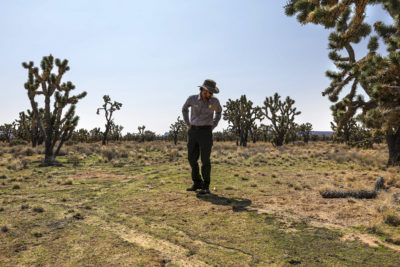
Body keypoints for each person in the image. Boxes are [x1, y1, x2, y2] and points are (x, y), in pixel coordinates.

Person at [182, 79, 222, 194]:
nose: (210, 94)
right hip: (193, 131)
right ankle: (197, 182)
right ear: (203, 90)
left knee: (205, 160)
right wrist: (187, 122)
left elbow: (219, 112)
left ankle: (206, 185)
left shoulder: (215, 101)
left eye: (212, 92)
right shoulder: (192, 99)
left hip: (206, 132)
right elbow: (184, 109)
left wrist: (214, 125)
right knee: (191, 158)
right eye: (209, 92)